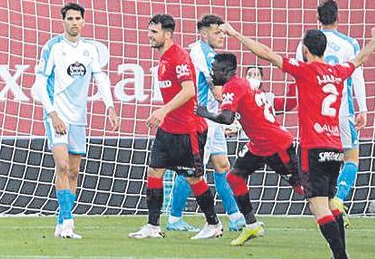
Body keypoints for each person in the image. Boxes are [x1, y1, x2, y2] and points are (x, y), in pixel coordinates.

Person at [222, 22, 375, 259]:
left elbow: (267, 54)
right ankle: (340, 254)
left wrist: (236, 34)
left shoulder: (304, 70)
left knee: (318, 207)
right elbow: (360, 58)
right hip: (335, 148)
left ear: (306, 51)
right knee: (330, 204)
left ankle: (340, 256)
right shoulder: (339, 71)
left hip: (314, 148)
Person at [128, 14, 223, 240]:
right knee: (154, 172)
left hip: (188, 129)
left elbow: (189, 90)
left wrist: (162, 111)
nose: (149, 36)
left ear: (167, 34)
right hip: (168, 129)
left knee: (194, 179)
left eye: (154, 32)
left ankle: (213, 224)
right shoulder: (164, 58)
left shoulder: (179, 57)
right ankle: (152, 226)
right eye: (149, 31)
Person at [195, 53, 302, 246]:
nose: (212, 73)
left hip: (276, 144)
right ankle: (251, 224)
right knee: (234, 177)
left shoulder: (233, 86)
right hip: (258, 145)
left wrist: (206, 113)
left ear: (226, 71)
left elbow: (227, 118)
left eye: (215, 69)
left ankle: (334, 208)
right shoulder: (242, 84)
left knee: (302, 187)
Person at [33, 2, 120, 239]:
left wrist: (110, 107)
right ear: (63, 22)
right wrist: (52, 113)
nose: (73, 23)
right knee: (61, 165)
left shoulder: (89, 50)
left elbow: (100, 79)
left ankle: (62, 223)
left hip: (79, 117)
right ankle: (69, 222)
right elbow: (40, 83)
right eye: (69, 19)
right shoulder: (53, 47)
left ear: (83, 21)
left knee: (73, 171)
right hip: (57, 115)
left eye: (77, 19)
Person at [168, 15, 245, 232]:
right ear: (203, 33)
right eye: (216, 32)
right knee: (191, 169)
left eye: (222, 32)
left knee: (222, 165)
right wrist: (239, 109)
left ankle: (236, 216)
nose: (222, 36)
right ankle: (174, 218)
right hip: (203, 120)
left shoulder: (198, 51)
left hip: (211, 118)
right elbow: (217, 91)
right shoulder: (204, 54)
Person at [296, 0, 367, 224]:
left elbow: (299, 76)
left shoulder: (305, 43)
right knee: (350, 157)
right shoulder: (350, 44)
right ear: (338, 18)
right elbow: (356, 76)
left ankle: (326, 206)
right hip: (342, 109)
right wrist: (363, 109)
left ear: (318, 19)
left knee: (320, 164)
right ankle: (337, 200)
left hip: (316, 115)